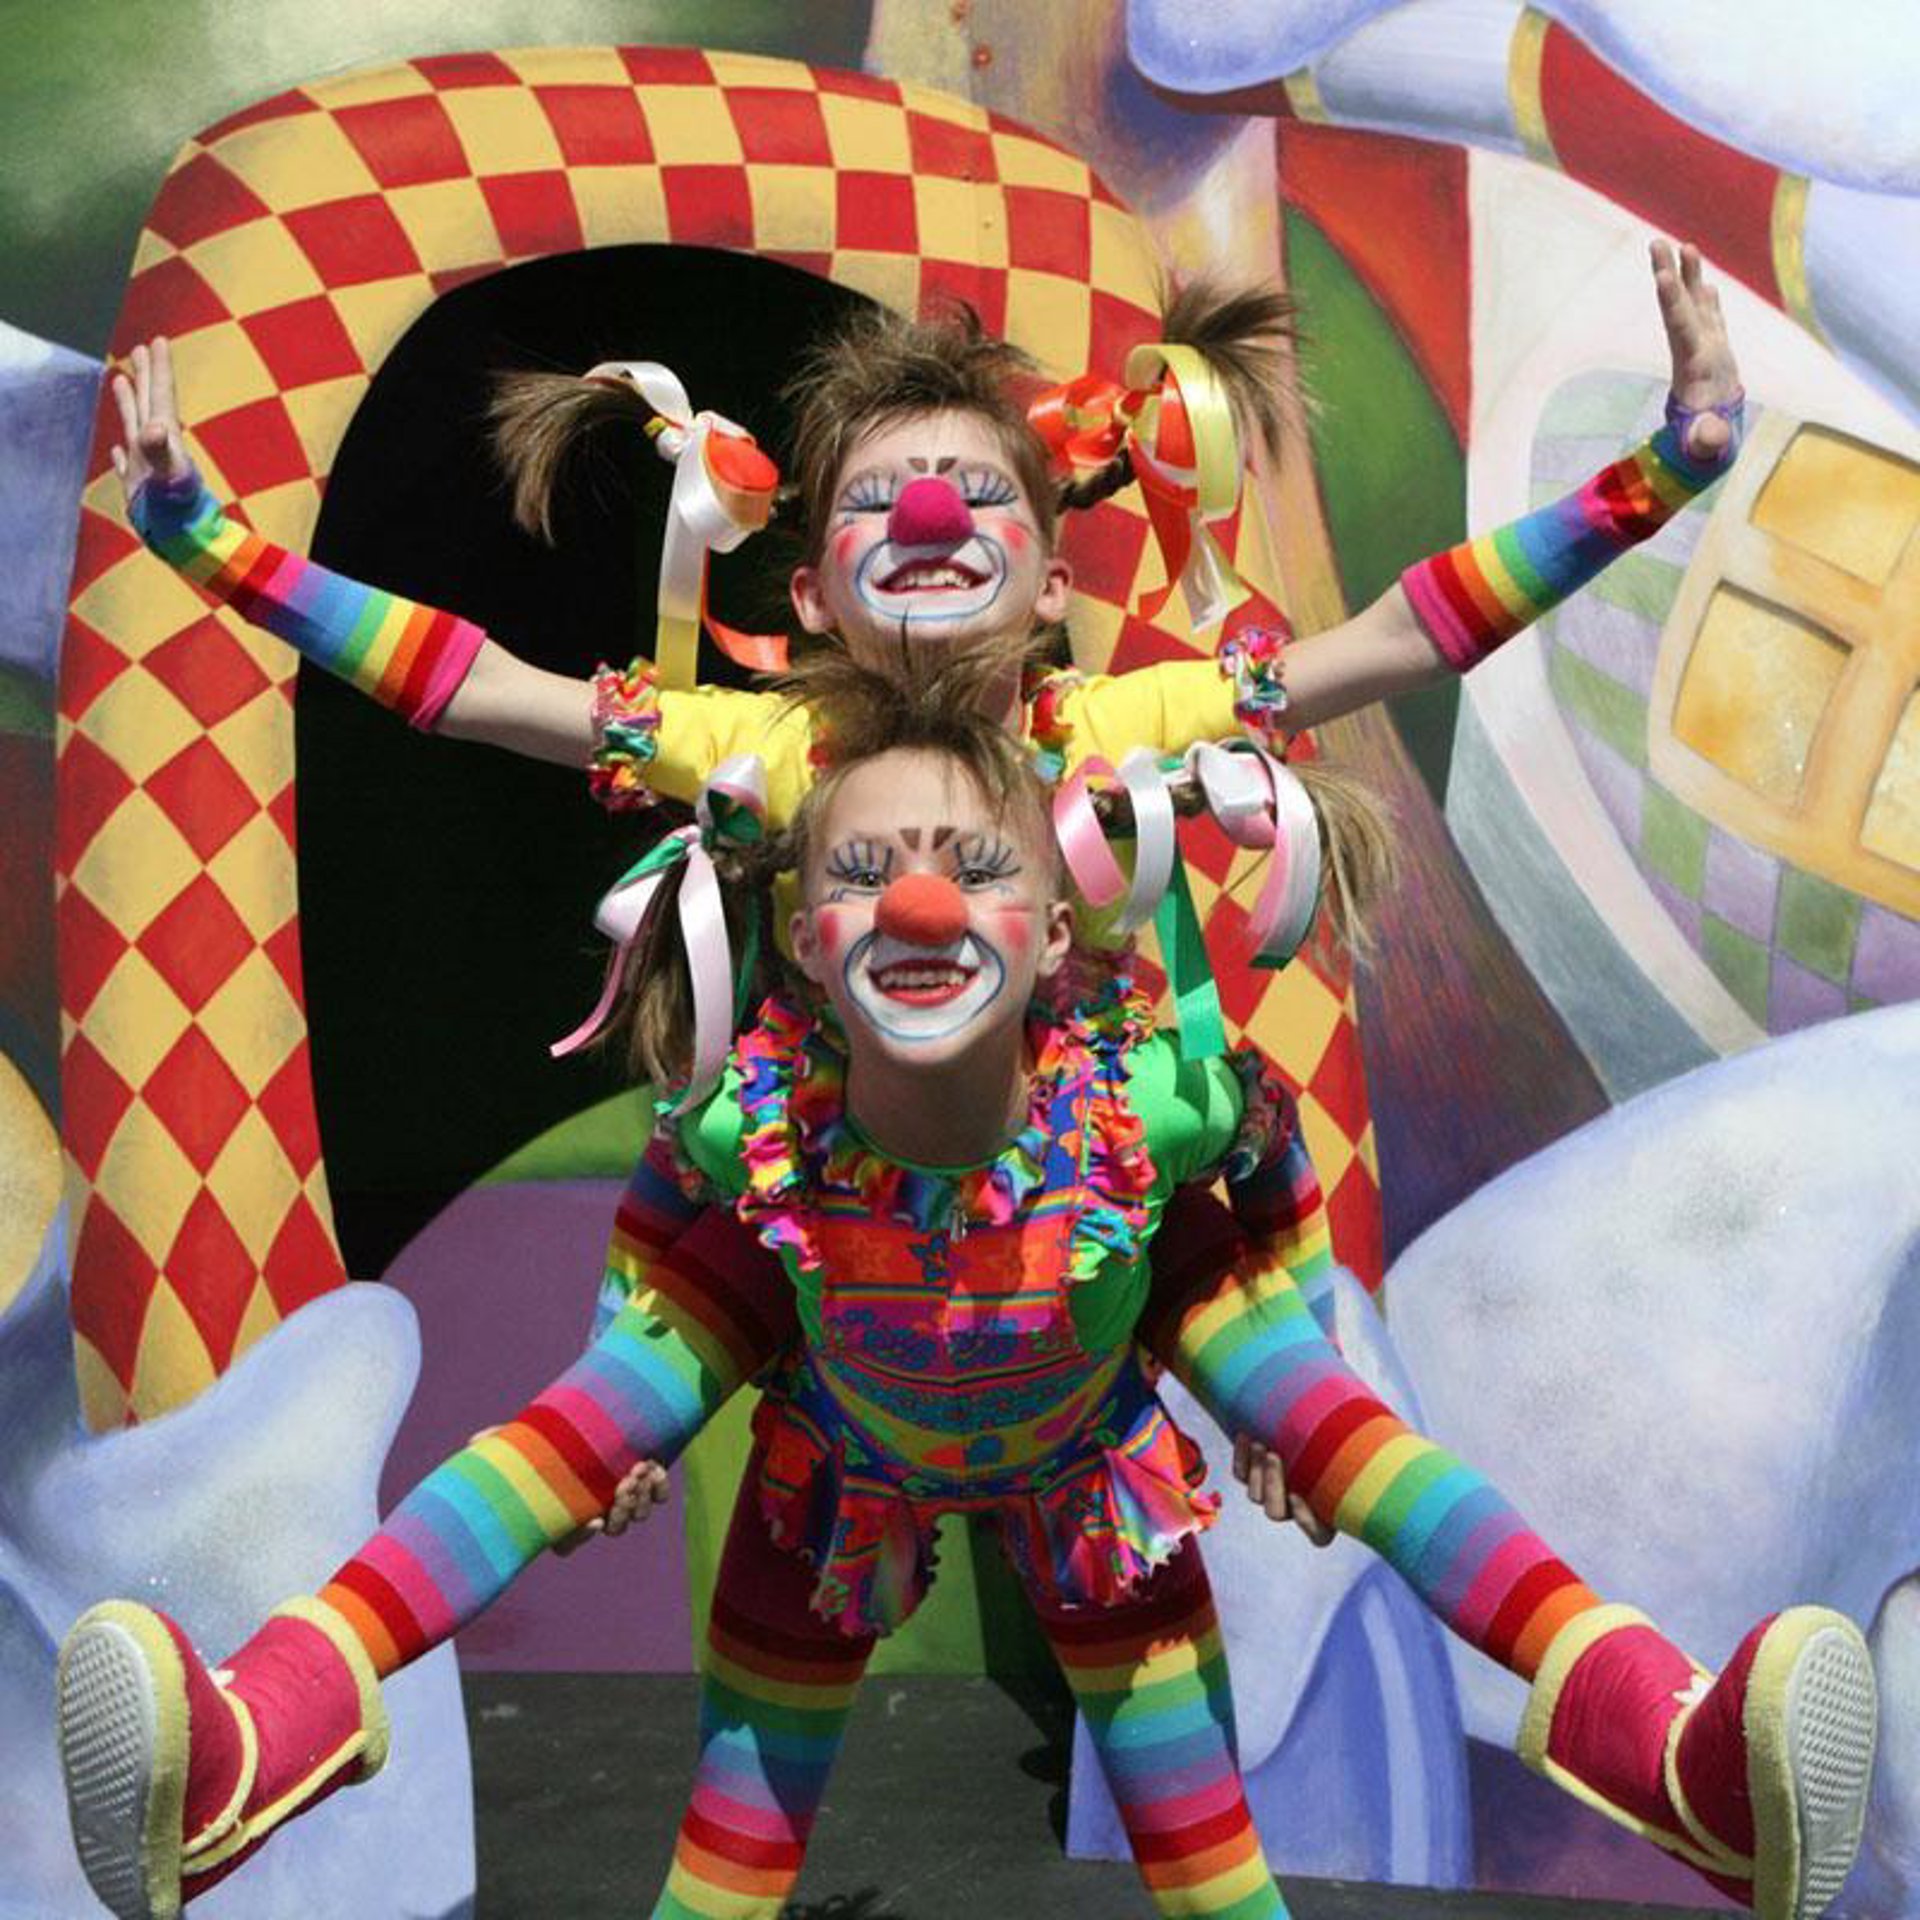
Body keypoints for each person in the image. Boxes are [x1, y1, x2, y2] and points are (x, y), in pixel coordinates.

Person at [76, 241, 1875, 1920]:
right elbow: (486, 693)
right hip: (819, 1264)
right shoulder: (761, 749)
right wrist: (218, 548)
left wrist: (1662, 472)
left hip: (1102, 1254)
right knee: (630, 1595)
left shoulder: (1122, 726)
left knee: (1293, 1633)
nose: (930, 516)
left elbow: (1402, 639)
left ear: (1053, 569)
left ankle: (1663, 1742)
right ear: (808, 585)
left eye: (976, 492)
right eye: (880, 496)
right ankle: (267, 1726)